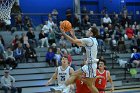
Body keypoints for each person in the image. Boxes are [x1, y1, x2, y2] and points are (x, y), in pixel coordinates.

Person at [52, 26, 100, 93]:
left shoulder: (89, 40)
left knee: (90, 85)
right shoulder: (93, 41)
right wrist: (74, 35)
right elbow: (78, 44)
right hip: (89, 65)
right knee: (74, 74)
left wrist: (63, 33)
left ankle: (62, 87)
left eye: (88, 30)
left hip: (91, 66)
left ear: (91, 33)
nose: (87, 31)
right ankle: (61, 87)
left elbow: (73, 41)